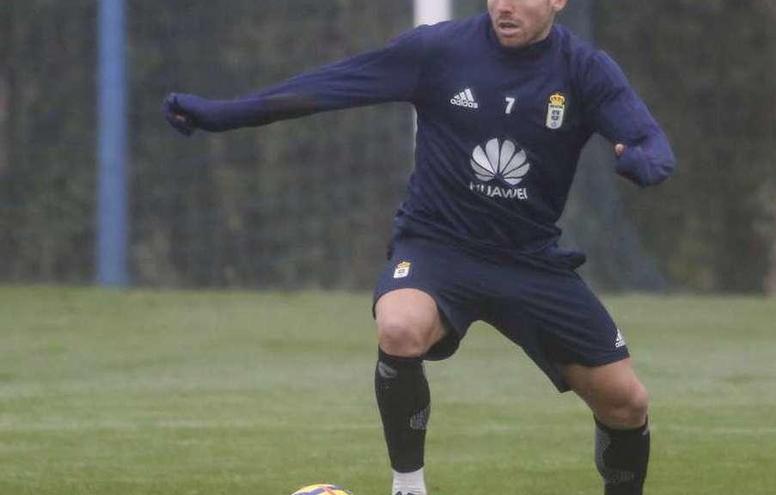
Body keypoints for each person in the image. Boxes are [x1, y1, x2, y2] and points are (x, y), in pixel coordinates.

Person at [163, 1, 676, 494]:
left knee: (626, 404)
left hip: (530, 261)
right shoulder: (440, 50)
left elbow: (646, 137)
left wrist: (647, 160)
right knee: (399, 326)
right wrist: (223, 114)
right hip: (438, 246)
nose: (504, 6)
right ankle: (408, 487)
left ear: (557, 1)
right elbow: (329, 86)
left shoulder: (585, 70)